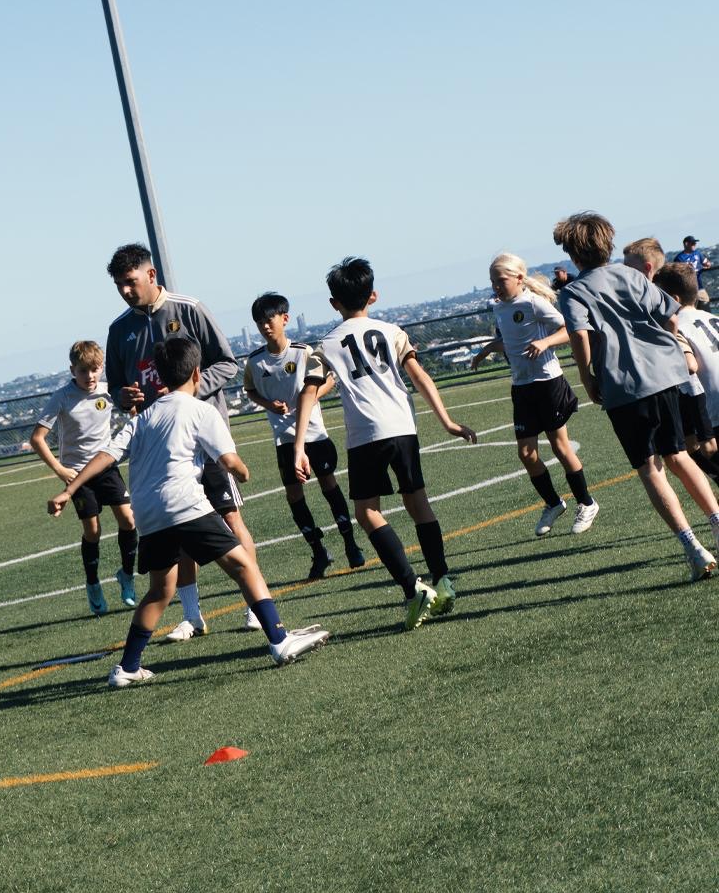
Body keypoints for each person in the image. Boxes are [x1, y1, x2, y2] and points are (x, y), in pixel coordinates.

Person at [48, 336, 329, 688]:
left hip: (148, 514)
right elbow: (229, 461)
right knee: (244, 565)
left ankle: (128, 667)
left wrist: (68, 490)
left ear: (160, 378)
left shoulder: (145, 416)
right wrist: (243, 471)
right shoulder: (200, 410)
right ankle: (279, 640)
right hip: (185, 504)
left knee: (160, 590)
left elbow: (106, 456)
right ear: (197, 374)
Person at [293, 257, 477, 630]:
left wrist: (299, 447)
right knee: (418, 503)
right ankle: (442, 579)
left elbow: (308, 393)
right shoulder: (392, 331)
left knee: (367, 512)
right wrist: (447, 421)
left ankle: (413, 589)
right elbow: (420, 376)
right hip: (403, 426)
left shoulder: (325, 344)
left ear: (334, 303)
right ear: (372, 295)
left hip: (366, 434)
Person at [553, 212, 719, 580]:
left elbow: (580, 335)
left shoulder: (574, 291)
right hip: (665, 375)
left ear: (573, 255)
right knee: (678, 455)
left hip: (625, 385)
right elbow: (671, 316)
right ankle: (717, 521)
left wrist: (586, 376)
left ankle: (693, 547)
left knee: (650, 468)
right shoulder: (631, 274)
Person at [105, 242, 255, 640]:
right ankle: (191, 615)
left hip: (204, 441)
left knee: (230, 519)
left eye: (130, 282)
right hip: (162, 451)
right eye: (119, 285)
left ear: (151, 275)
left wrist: (187, 393)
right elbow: (117, 386)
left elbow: (227, 362)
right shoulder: (119, 330)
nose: (125, 291)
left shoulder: (189, 308)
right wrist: (123, 396)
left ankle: (255, 607)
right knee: (179, 527)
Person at [470, 253, 598, 536]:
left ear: (518, 278)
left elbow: (570, 329)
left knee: (560, 447)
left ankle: (587, 503)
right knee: (526, 453)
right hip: (522, 386)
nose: (496, 286)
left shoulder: (533, 302)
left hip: (548, 382)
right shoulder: (498, 307)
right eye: (492, 281)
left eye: (500, 280)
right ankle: (553, 503)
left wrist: (545, 341)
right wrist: (488, 349)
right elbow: (512, 342)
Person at [243, 291, 365, 576]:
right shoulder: (255, 362)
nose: (264, 326)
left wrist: (309, 399)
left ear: (284, 319)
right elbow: (250, 391)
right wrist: (268, 403)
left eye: (269, 319)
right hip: (284, 439)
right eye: (259, 321)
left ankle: (350, 544)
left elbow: (330, 379)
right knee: (294, 495)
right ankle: (318, 552)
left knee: (329, 485)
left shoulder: (303, 352)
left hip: (315, 435)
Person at [30, 340, 138, 615]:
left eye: (95, 369)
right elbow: (37, 438)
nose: (90, 376)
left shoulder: (107, 390)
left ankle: (126, 575)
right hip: (77, 474)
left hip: (106, 466)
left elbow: (131, 409)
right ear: (72, 370)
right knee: (93, 531)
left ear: (101, 368)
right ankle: (93, 583)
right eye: (83, 371)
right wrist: (60, 470)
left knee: (128, 520)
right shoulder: (62, 397)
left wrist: (133, 406)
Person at [653, 263, 719, 479]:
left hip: (712, 404)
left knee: (692, 451)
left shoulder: (676, 325)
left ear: (674, 299)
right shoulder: (713, 318)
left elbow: (690, 367)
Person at [673, 235, 711, 307]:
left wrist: (707, 264)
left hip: (699, 286)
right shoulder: (679, 258)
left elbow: (706, 262)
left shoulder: (697, 253)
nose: (695, 245)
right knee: (691, 307)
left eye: (695, 243)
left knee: (705, 300)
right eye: (693, 243)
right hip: (688, 288)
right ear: (686, 244)